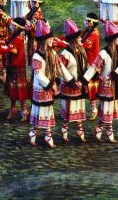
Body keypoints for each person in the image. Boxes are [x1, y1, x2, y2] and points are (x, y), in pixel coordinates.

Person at [29, 20, 72, 148]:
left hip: (48, 88)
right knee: (38, 110)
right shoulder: (36, 56)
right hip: (40, 88)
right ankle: (33, 132)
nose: (52, 40)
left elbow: (60, 67)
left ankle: (47, 134)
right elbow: (39, 74)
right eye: (50, 38)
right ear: (44, 40)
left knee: (48, 110)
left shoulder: (52, 53)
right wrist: (49, 84)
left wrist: (70, 80)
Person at [83, 21, 118, 143]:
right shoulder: (103, 54)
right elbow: (94, 68)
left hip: (117, 84)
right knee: (107, 107)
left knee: (109, 109)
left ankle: (99, 129)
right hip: (106, 85)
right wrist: (84, 79)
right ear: (113, 39)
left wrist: (115, 73)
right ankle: (109, 130)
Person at [58, 19, 89, 142]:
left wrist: (83, 80)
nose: (81, 39)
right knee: (70, 110)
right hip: (69, 88)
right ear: (73, 40)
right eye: (79, 37)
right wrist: (71, 81)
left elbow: (85, 67)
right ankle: (65, 130)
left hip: (79, 86)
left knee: (79, 109)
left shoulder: (81, 51)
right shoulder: (65, 54)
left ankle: (79, 130)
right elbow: (60, 70)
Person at [0, 18, 30, 121]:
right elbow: (7, 42)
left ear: (17, 27)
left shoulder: (19, 38)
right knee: (13, 88)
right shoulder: (14, 36)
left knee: (20, 89)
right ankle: (13, 108)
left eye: (13, 26)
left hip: (18, 67)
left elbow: (13, 50)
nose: (12, 27)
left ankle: (24, 110)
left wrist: (2, 49)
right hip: (12, 66)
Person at [81, 12, 100, 120]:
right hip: (86, 62)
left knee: (91, 88)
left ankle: (94, 110)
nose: (85, 22)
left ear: (91, 23)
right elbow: (80, 38)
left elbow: (85, 45)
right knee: (84, 87)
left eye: (87, 21)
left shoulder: (94, 34)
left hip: (91, 65)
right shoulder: (88, 31)